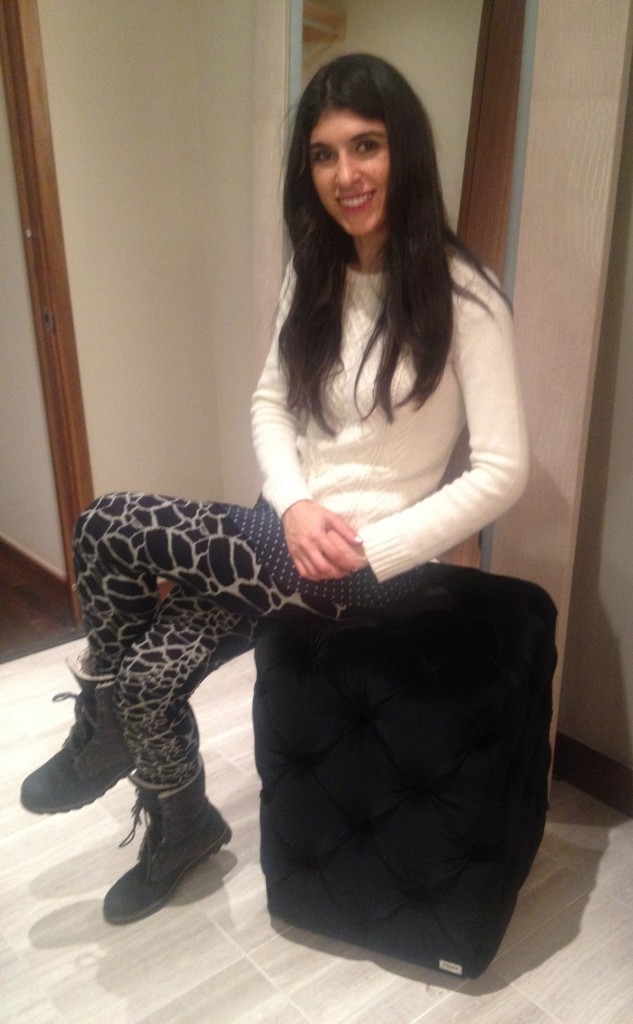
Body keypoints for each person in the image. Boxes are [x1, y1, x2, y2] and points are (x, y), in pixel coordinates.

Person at [20, 54, 528, 925]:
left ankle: (97, 722)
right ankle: (181, 824)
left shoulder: (467, 299)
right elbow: (269, 404)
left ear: (404, 150)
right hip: (280, 536)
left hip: (367, 566)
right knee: (147, 676)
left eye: (366, 145)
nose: (345, 174)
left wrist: (380, 545)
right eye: (324, 154)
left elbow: (503, 469)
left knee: (107, 524)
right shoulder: (316, 272)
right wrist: (291, 503)